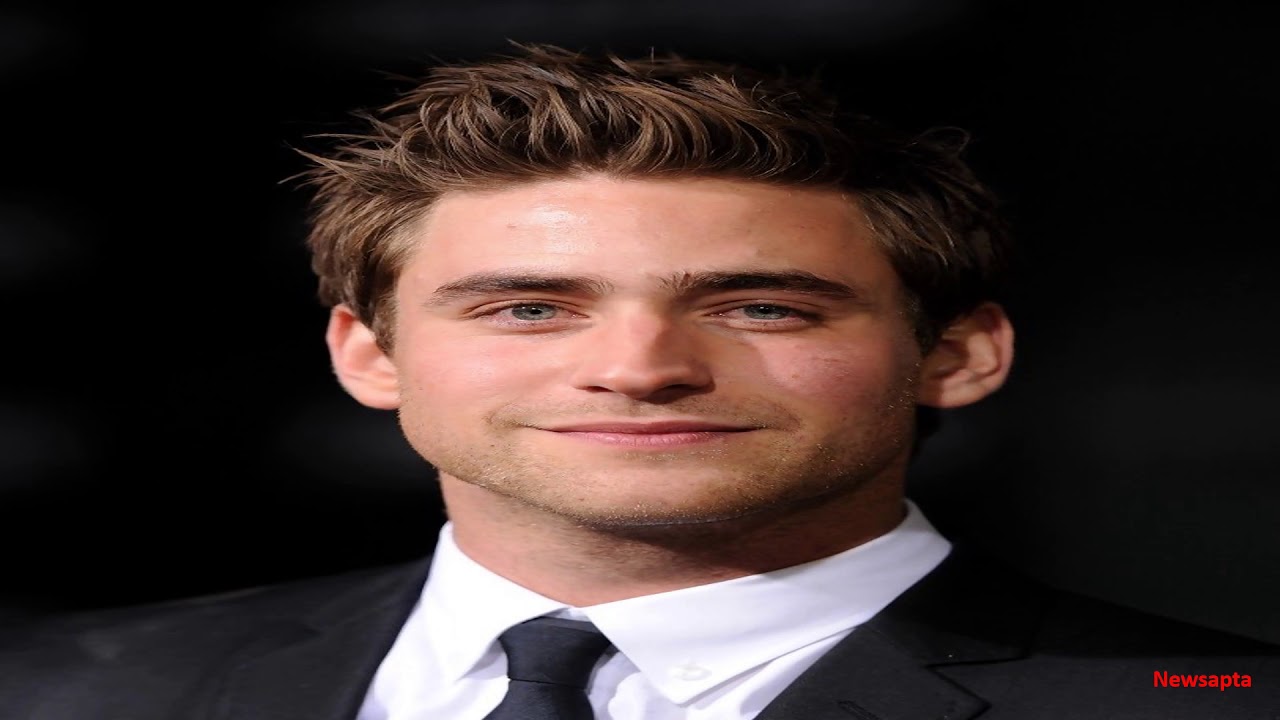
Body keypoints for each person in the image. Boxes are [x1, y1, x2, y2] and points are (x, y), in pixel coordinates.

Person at [2, 42, 1277, 720]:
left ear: (957, 351)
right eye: (527, 308)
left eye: (759, 306)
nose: (639, 370)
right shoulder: (59, 690)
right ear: (367, 354)